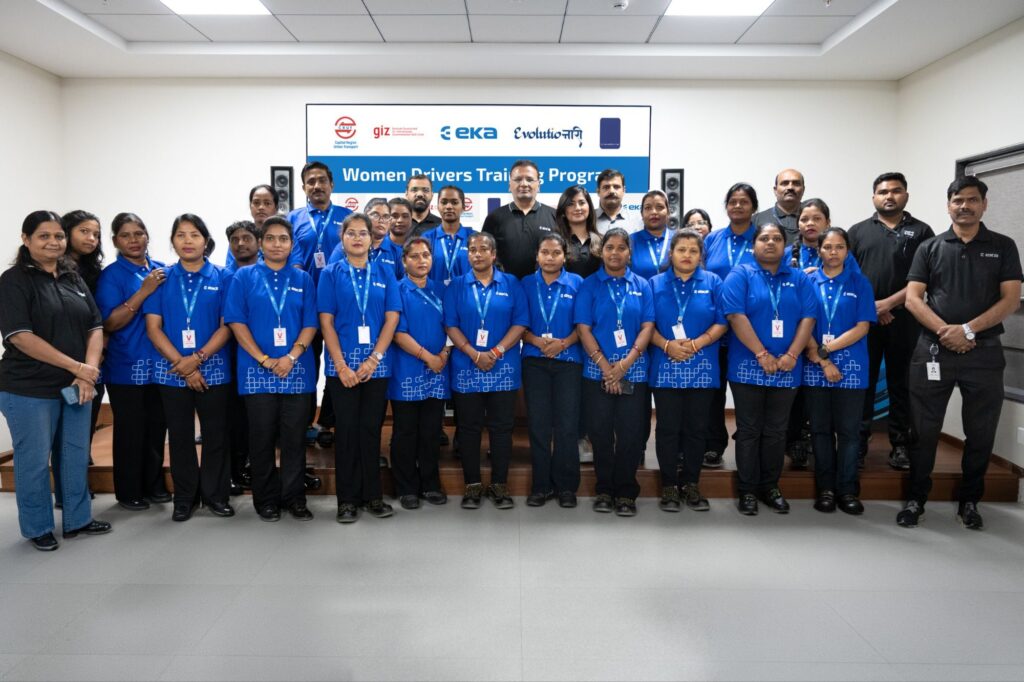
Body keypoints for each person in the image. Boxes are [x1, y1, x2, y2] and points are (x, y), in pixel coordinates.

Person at [898, 175, 1022, 530]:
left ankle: (970, 501)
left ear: (984, 204)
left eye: (972, 199)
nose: (964, 206)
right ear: (948, 205)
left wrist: (968, 330)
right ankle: (916, 499)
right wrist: (946, 332)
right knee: (923, 430)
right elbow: (913, 299)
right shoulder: (930, 247)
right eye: (957, 200)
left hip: (984, 352)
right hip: (933, 350)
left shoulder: (1003, 246)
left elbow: (1011, 299)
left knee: (981, 432)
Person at [0, 210, 111, 551]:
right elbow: (21, 337)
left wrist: (86, 373)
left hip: (77, 385)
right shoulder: (14, 280)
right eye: (44, 236)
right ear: (26, 239)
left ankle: (78, 519)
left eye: (58, 236)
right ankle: (38, 527)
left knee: (74, 454)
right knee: (34, 461)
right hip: (28, 387)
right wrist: (78, 367)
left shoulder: (72, 277)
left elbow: (95, 326)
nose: (53, 242)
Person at [224, 216, 318, 522]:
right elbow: (236, 322)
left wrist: (291, 357)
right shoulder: (244, 277)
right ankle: (265, 499)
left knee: (294, 438)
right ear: (261, 243)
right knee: (261, 438)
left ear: (292, 245)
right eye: (271, 238)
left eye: (283, 239)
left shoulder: (303, 279)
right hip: (256, 371)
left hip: (296, 370)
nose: (277, 244)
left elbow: (311, 323)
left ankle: (294, 498)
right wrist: (264, 359)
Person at [721, 223, 817, 516]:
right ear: (754, 245)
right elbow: (736, 316)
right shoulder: (740, 275)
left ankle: (771, 487)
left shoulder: (799, 278)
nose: (771, 243)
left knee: (777, 430)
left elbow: (808, 318)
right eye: (764, 238)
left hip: (788, 365)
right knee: (749, 429)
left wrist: (792, 354)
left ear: (785, 245)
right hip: (747, 365)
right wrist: (762, 354)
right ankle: (747, 490)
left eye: (777, 238)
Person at [144, 213, 234, 522]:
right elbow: (153, 328)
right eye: (181, 235)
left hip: (214, 369)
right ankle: (184, 498)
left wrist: (196, 359)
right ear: (172, 241)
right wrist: (183, 365)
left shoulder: (223, 277)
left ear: (206, 241)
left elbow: (227, 326)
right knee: (180, 436)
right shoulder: (161, 278)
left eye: (194, 235)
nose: (188, 241)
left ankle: (216, 495)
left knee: (216, 436)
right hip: (172, 372)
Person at [848, 172, 934, 471]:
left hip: (906, 319)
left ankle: (900, 445)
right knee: (863, 382)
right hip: (864, 321)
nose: (889, 196)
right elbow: (848, 276)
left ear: (905, 196)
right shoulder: (857, 232)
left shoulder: (922, 232)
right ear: (874, 197)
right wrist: (874, 308)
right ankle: (857, 443)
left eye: (896, 191)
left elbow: (926, 277)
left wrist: (889, 304)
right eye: (883, 191)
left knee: (902, 384)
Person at [318, 212, 401, 524]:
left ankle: (373, 496)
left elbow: (392, 318)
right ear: (342, 239)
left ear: (371, 238)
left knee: (370, 431)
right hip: (341, 368)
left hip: (376, 366)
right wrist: (341, 365)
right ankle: (347, 501)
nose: (356, 238)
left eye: (362, 233)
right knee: (347, 432)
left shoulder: (385, 271)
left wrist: (374, 359)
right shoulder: (330, 273)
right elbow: (326, 321)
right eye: (350, 233)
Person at [444, 231, 529, 510]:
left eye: (483, 249)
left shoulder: (512, 283)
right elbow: (450, 325)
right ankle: (472, 485)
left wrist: (495, 352)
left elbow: (520, 323)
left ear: (493, 255)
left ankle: (499, 485)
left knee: (502, 428)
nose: (477, 254)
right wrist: (474, 353)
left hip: (503, 367)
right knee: (468, 428)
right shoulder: (456, 286)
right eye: (472, 249)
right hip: (466, 366)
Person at [575, 228, 655, 517]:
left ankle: (626, 491)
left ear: (629, 253)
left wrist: (624, 365)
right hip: (597, 371)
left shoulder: (643, 285)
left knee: (631, 434)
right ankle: (604, 490)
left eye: (622, 248)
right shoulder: (589, 285)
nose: (615, 253)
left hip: (634, 370)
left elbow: (647, 326)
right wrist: (607, 367)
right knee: (600, 433)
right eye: (610, 247)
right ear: (601, 251)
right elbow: (583, 328)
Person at [648, 229, 728, 512]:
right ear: (671, 254)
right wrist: (666, 345)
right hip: (665, 365)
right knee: (668, 428)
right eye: (681, 250)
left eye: (693, 251)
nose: (687, 255)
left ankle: (691, 484)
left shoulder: (714, 282)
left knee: (696, 430)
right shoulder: (654, 283)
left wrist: (696, 344)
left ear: (701, 255)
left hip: (703, 366)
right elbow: (645, 324)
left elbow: (723, 321)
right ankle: (669, 485)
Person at [95, 212, 170, 510]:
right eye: (125, 235)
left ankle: (153, 484)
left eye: (138, 233)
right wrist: (144, 292)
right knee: (131, 431)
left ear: (147, 235)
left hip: (161, 365)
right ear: (115, 241)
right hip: (126, 366)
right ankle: (129, 491)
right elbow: (110, 322)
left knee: (157, 428)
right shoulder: (112, 275)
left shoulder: (162, 269)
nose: (134, 240)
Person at [802, 227, 876, 514]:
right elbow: (802, 323)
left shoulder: (860, 282)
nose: (833, 252)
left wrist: (826, 350)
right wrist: (822, 359)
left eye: (839, 247)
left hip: (852, 367)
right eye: (827, 247)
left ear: (847, 251)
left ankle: (847, 490)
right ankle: (826, 489)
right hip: (815, 365)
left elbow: (862, 326)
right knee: (820, 430)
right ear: (819, 250)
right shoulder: (808, 281)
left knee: (849, 432)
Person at [521, 234, 584, 508]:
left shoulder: (577, 283)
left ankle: (566, 487)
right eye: (544, 252)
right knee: (539, 425)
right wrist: (536, 341)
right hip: (534, 361)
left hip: (568, 361)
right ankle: (541, 486)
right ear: (537, 255)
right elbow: (517, 323)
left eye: (556, 252)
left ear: (564, 256)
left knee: (567, 426)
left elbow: (584, 324)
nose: (550, 257)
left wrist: (563, 344)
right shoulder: (525, 284)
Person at [388, 237, 451, 509]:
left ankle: (430, 484)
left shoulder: (441, 289)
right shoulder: (397, 290)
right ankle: (406, 487)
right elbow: (397, 333)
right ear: (404, 261)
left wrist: (444, 355)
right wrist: (429, 357)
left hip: (438, 371)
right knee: (405, 432)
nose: (421, 260)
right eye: (414, 256)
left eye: (426, 255)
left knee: (431, 431)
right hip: (406, 370)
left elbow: (452, 327)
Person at [701, 183, 759, 469]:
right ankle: (714, 445)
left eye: (744, 201)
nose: (737, 206)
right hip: (715, 329)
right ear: (726, 206)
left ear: (754, 207)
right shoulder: (712, 240)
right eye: (733, 201)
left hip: (750, 329)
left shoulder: (761, 239)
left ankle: (751, 446)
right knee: (714, 392)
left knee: (747, 392)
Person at [60, 210, 104, 502]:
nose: (91, 239)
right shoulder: (54, 270)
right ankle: (67, 491)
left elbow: (98, 320)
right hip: (62, 359)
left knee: (85, 422)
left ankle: (77, 484)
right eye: (84, 232)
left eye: (96, 234)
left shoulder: (95, 272)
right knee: (63, 428)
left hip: (94, 359)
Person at [783, 198, 829, 469]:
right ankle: (793, 441)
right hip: (792, 333)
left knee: (817, 393)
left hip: (826, 332)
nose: (810, 224)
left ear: (827, 223)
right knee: (794, 393)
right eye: (804, 219)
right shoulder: (786, 253)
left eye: (816, 219)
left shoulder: (836, 251)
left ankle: (816, 439)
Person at [223, 220, 259, 493]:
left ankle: (251, 467)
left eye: (247, 238)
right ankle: (234, 470)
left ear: (258, 242)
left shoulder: (266, 274)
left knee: (256, 418)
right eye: (235, 239)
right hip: (230, 354)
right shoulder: (224, 277)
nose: (240, 244)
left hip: (263, 357)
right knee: (233, 417)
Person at [482, 159, 558, 279]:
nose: (524, 184)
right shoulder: (494, 218)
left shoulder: (554, 216)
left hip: (545, 286)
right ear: (509, 185)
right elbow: (485, 254)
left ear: (538, 185)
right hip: (505, 287)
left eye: (529, 179)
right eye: (517, 179)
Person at [288, 161, 353, 286]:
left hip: (340, 288)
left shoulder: (348, 216)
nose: (317, 186)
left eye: (322, 181)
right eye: (311, 182)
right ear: (304, 188)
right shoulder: (293, 218)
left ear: (332, 185)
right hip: (303, 288)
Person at [422, 185, 473, 288]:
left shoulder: (474, 238)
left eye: (454, 202)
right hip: (434, 297)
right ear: (438, 206)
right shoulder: (426, 238)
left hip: (468, 296)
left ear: (463, 207)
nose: (449, 206)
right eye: (444, 202)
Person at [555, 185, 601, 279]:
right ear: (563, 210)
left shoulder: (602, 241)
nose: (577, 208)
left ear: (589, 207)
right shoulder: (554, 241)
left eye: (582, 203)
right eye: (570, 204)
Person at [629, 190, 675, 281]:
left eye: (659, 207)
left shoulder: (679, 239)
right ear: (641, 214)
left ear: (668, 212)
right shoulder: (630, 241)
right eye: (648, 208)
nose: (654, 212)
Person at [754, 168, 806, 244]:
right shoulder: (756, 220)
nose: (790, 187)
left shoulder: (815, 220)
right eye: (785, 183)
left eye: (796, 183)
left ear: (803, 189)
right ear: (775, 190)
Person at [594, 169, 642, 234]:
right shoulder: (587, 219)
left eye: (616, 187)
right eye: (606, 187)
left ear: (624, 190)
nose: (611, 191)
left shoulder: (637, 221)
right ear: (598, 192)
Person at [406, 173, 442, 238]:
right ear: (406, 194)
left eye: (425, 190)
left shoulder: (442, 226)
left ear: (432, 195)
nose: (420, 194)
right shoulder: (397, 225)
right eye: (414, 190)